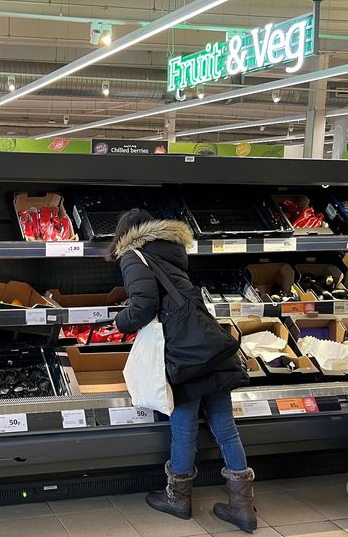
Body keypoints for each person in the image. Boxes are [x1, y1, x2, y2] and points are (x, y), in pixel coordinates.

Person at [107, 209, 257, 534]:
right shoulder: (171, 252)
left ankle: (178, 499)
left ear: (125, 233)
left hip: (184, 356)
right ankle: (243, 507)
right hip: (210, 348)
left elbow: (144, 306)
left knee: (184, 427)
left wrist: (119, 322)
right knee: (226, 429)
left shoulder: (134, 256)